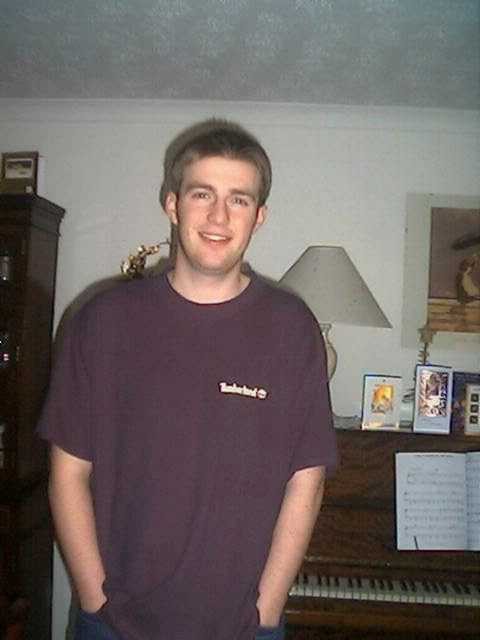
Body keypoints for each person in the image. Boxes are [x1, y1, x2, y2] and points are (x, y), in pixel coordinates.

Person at [37, 119, 337, 640]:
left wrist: (266, 611)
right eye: (203, 194)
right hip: (113, 625)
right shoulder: (102, 321)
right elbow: (67, 473)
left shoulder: (291, 330)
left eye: (239, 199)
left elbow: (306, 481)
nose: (219, 216)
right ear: (172, 204)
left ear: (259, 217)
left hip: (244, 628)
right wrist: (95, 600)